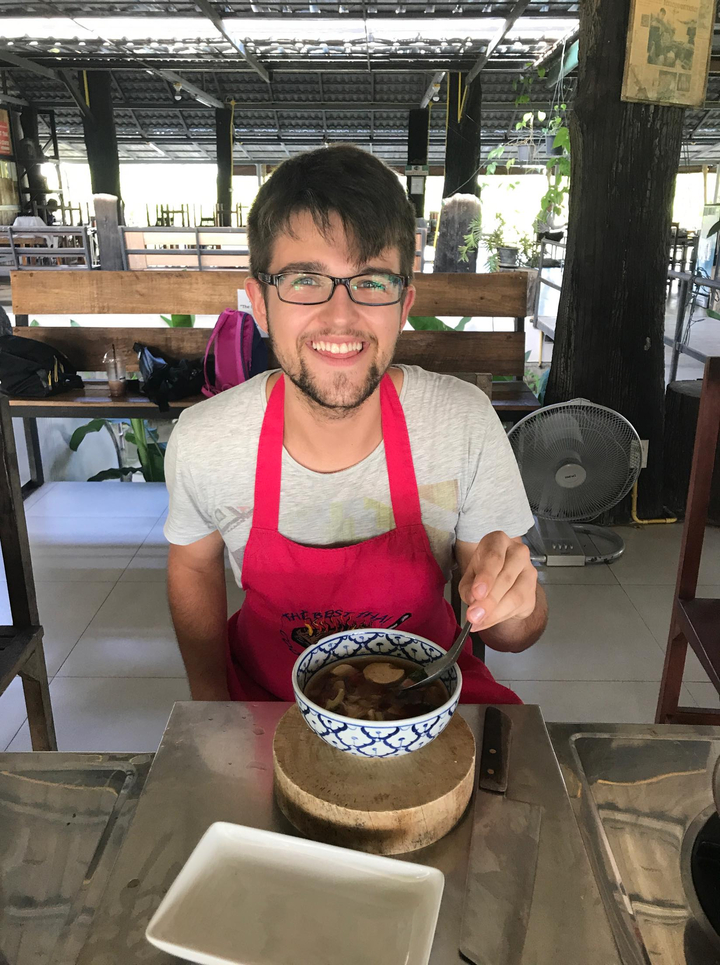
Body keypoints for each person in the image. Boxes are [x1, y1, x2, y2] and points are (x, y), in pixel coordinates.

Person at [164, 145, 548, 703]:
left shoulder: (460, 423)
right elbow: (194, 566)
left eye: (371, 282)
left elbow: (519, 633)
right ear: (260, 303)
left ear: (404, 303)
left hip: (427, 699)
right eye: (304, 280)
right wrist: (209, 703)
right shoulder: (206, 439)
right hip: (266, 703)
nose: (340, 316)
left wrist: (513, 605)